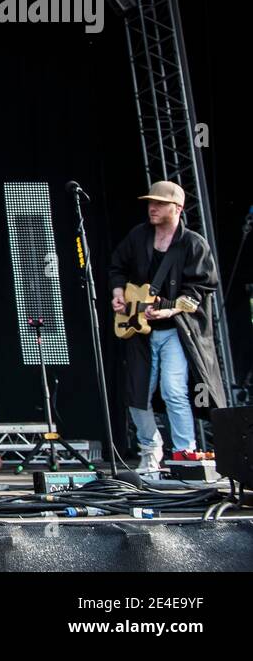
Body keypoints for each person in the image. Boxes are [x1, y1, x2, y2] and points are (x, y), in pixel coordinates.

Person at [108, 180, 225, 472]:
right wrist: (119, 293)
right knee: (136, 394)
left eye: (159, 203)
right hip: (139, 330)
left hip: (174, 330)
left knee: (174, 390)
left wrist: (171, 309)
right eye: (150, 203)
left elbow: (201, 289)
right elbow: (117, 266)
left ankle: (185, 451)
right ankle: (150, 448)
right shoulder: (138, 236)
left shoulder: (193, 243)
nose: (152, 208)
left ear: (178, 208)